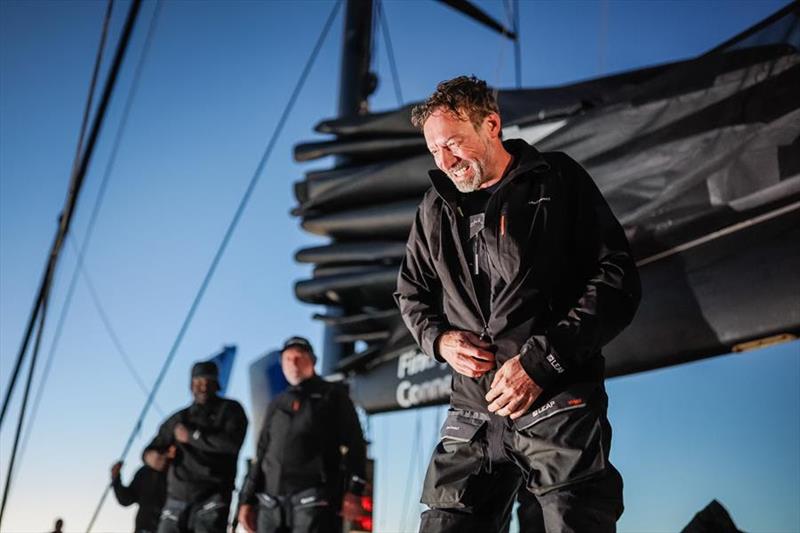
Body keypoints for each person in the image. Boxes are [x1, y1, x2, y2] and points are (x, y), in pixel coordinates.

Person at [395, 75, 641, 533]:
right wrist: (440, 340)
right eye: (434, 151)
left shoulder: (558, 178)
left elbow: (616, 280)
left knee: (569, 521)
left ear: (491, 124)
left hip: (554, 398)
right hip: (471, 412)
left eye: (453, 144)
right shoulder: (433, 208)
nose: (445, 161)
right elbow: (411, 294)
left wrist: (542, 361)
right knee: (444, 525)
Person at [237, 336, 367, 533]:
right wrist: (246, 500)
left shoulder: (333, 395)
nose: (293, 363)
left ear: (312, 361)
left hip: (314, 501)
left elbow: (356, 444)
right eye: (288, 359)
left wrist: (354, 491)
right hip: (270, 504)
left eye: (299, 357)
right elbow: (261, 454)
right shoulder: (277, 403)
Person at [144, 360, 248, 533]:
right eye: (198, 382)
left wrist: (192, 436)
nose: (203, 387)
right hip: (175, 502)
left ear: (217, 384)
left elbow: (231, 443)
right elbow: (150, 448)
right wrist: (151, 458)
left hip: (213, 498)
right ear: (191, 385)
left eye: (209, 382)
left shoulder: (231, 409)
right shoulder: (179, 418)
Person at [110, 458, 168, 533]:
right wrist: (116, 478)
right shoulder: (145, 471)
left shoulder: (179, 469)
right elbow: (126, 499)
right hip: (145, 527)